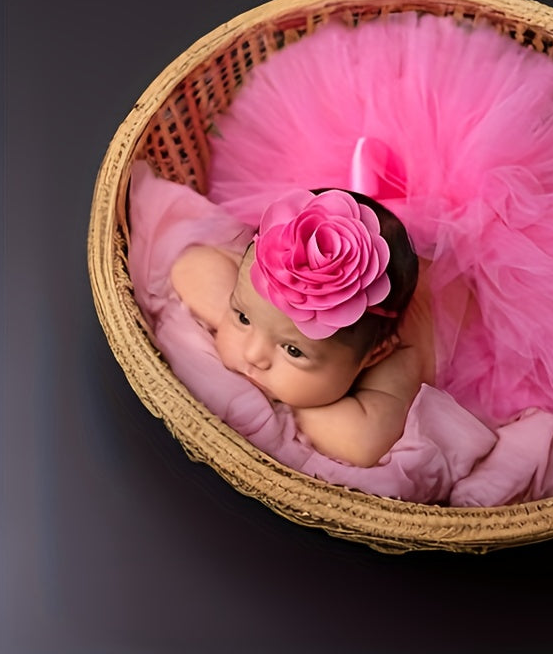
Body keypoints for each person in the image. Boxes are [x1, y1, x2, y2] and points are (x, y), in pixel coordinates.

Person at [170, 186, 435, 468]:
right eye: (244, 318)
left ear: (374, 355)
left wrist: (288, 405)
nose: (253, 355)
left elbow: (363, 443)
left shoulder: (395, 358)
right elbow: (190, 266)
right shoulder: (262, 288)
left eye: (293, 351)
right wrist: (233, 315)